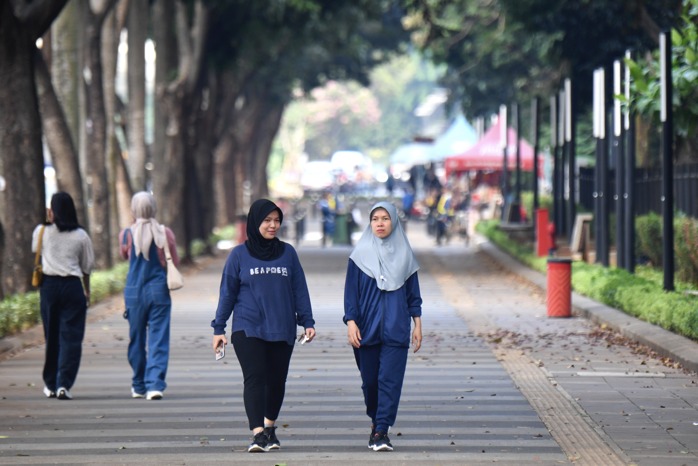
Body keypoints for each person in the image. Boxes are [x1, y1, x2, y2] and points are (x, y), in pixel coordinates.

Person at [211, 199, 316, 453]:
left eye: (276, 220)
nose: (273, 225)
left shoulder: (288, 253)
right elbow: (227, 293)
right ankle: (257, 433)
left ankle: (270, 427)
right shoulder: (238, 255)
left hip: (282, 326)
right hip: (248, 327)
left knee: (277, 381)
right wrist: (219, 328)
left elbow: (299, 288)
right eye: (267, 220)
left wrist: (307, 321)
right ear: (255, 222)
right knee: (255, 378)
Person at [343, 201, 423, 452]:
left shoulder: (405, 255)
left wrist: (417, 325)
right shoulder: (358, 256)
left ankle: (382, 430)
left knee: (390, 380)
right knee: (370, 383)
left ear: (394, 222)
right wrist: (351, 322)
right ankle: (376, 419)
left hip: (396, 329)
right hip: (366, 329)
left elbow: (414, 295)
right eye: (375, 218)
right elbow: (350, 294)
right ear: (369, 223)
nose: (379, 223)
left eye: (385, 218)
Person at [32, 192, 95, 400]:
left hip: (49, 288)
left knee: (52, 336)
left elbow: (36, 251)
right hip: (72, 287)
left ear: (53, 210)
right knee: (71, 338)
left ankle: (50, 383)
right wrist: (87, 291)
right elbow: (87, 267)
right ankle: (63, 385)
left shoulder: (41, 231)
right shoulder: (81, 235)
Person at [118, 192, 179, 401]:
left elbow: (125, 255)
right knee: (158, 338)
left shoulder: (126, 234)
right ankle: (155, 385)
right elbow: (174, 261)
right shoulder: (165, 233)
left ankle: (138, 384)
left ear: (134, 209)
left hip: (133, 291)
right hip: (159, 289)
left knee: (136, 339)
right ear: (154, 207)